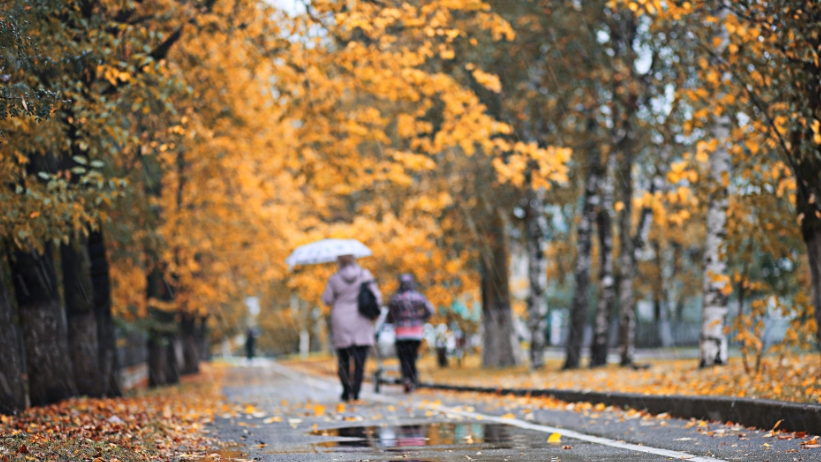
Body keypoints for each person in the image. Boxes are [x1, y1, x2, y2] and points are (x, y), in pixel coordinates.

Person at [321, 254, 382, 401]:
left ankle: (346, 390)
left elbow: (326, 299)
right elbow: (377, 297)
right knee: (360, 360)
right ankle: (356, 391)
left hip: (341, 320)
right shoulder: (365, 275)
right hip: (361, 320)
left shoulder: (334, 279)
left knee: (344, 359)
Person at [386, 274, 434, 393]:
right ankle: (413, 379)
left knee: (404, 358)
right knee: (412, 357)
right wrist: (420, 317)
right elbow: (431, 310)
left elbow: (390, 316)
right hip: (415, 332)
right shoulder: (418, 297)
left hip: (401, 332)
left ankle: (407, 378)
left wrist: (396, 319)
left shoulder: (396, 299)